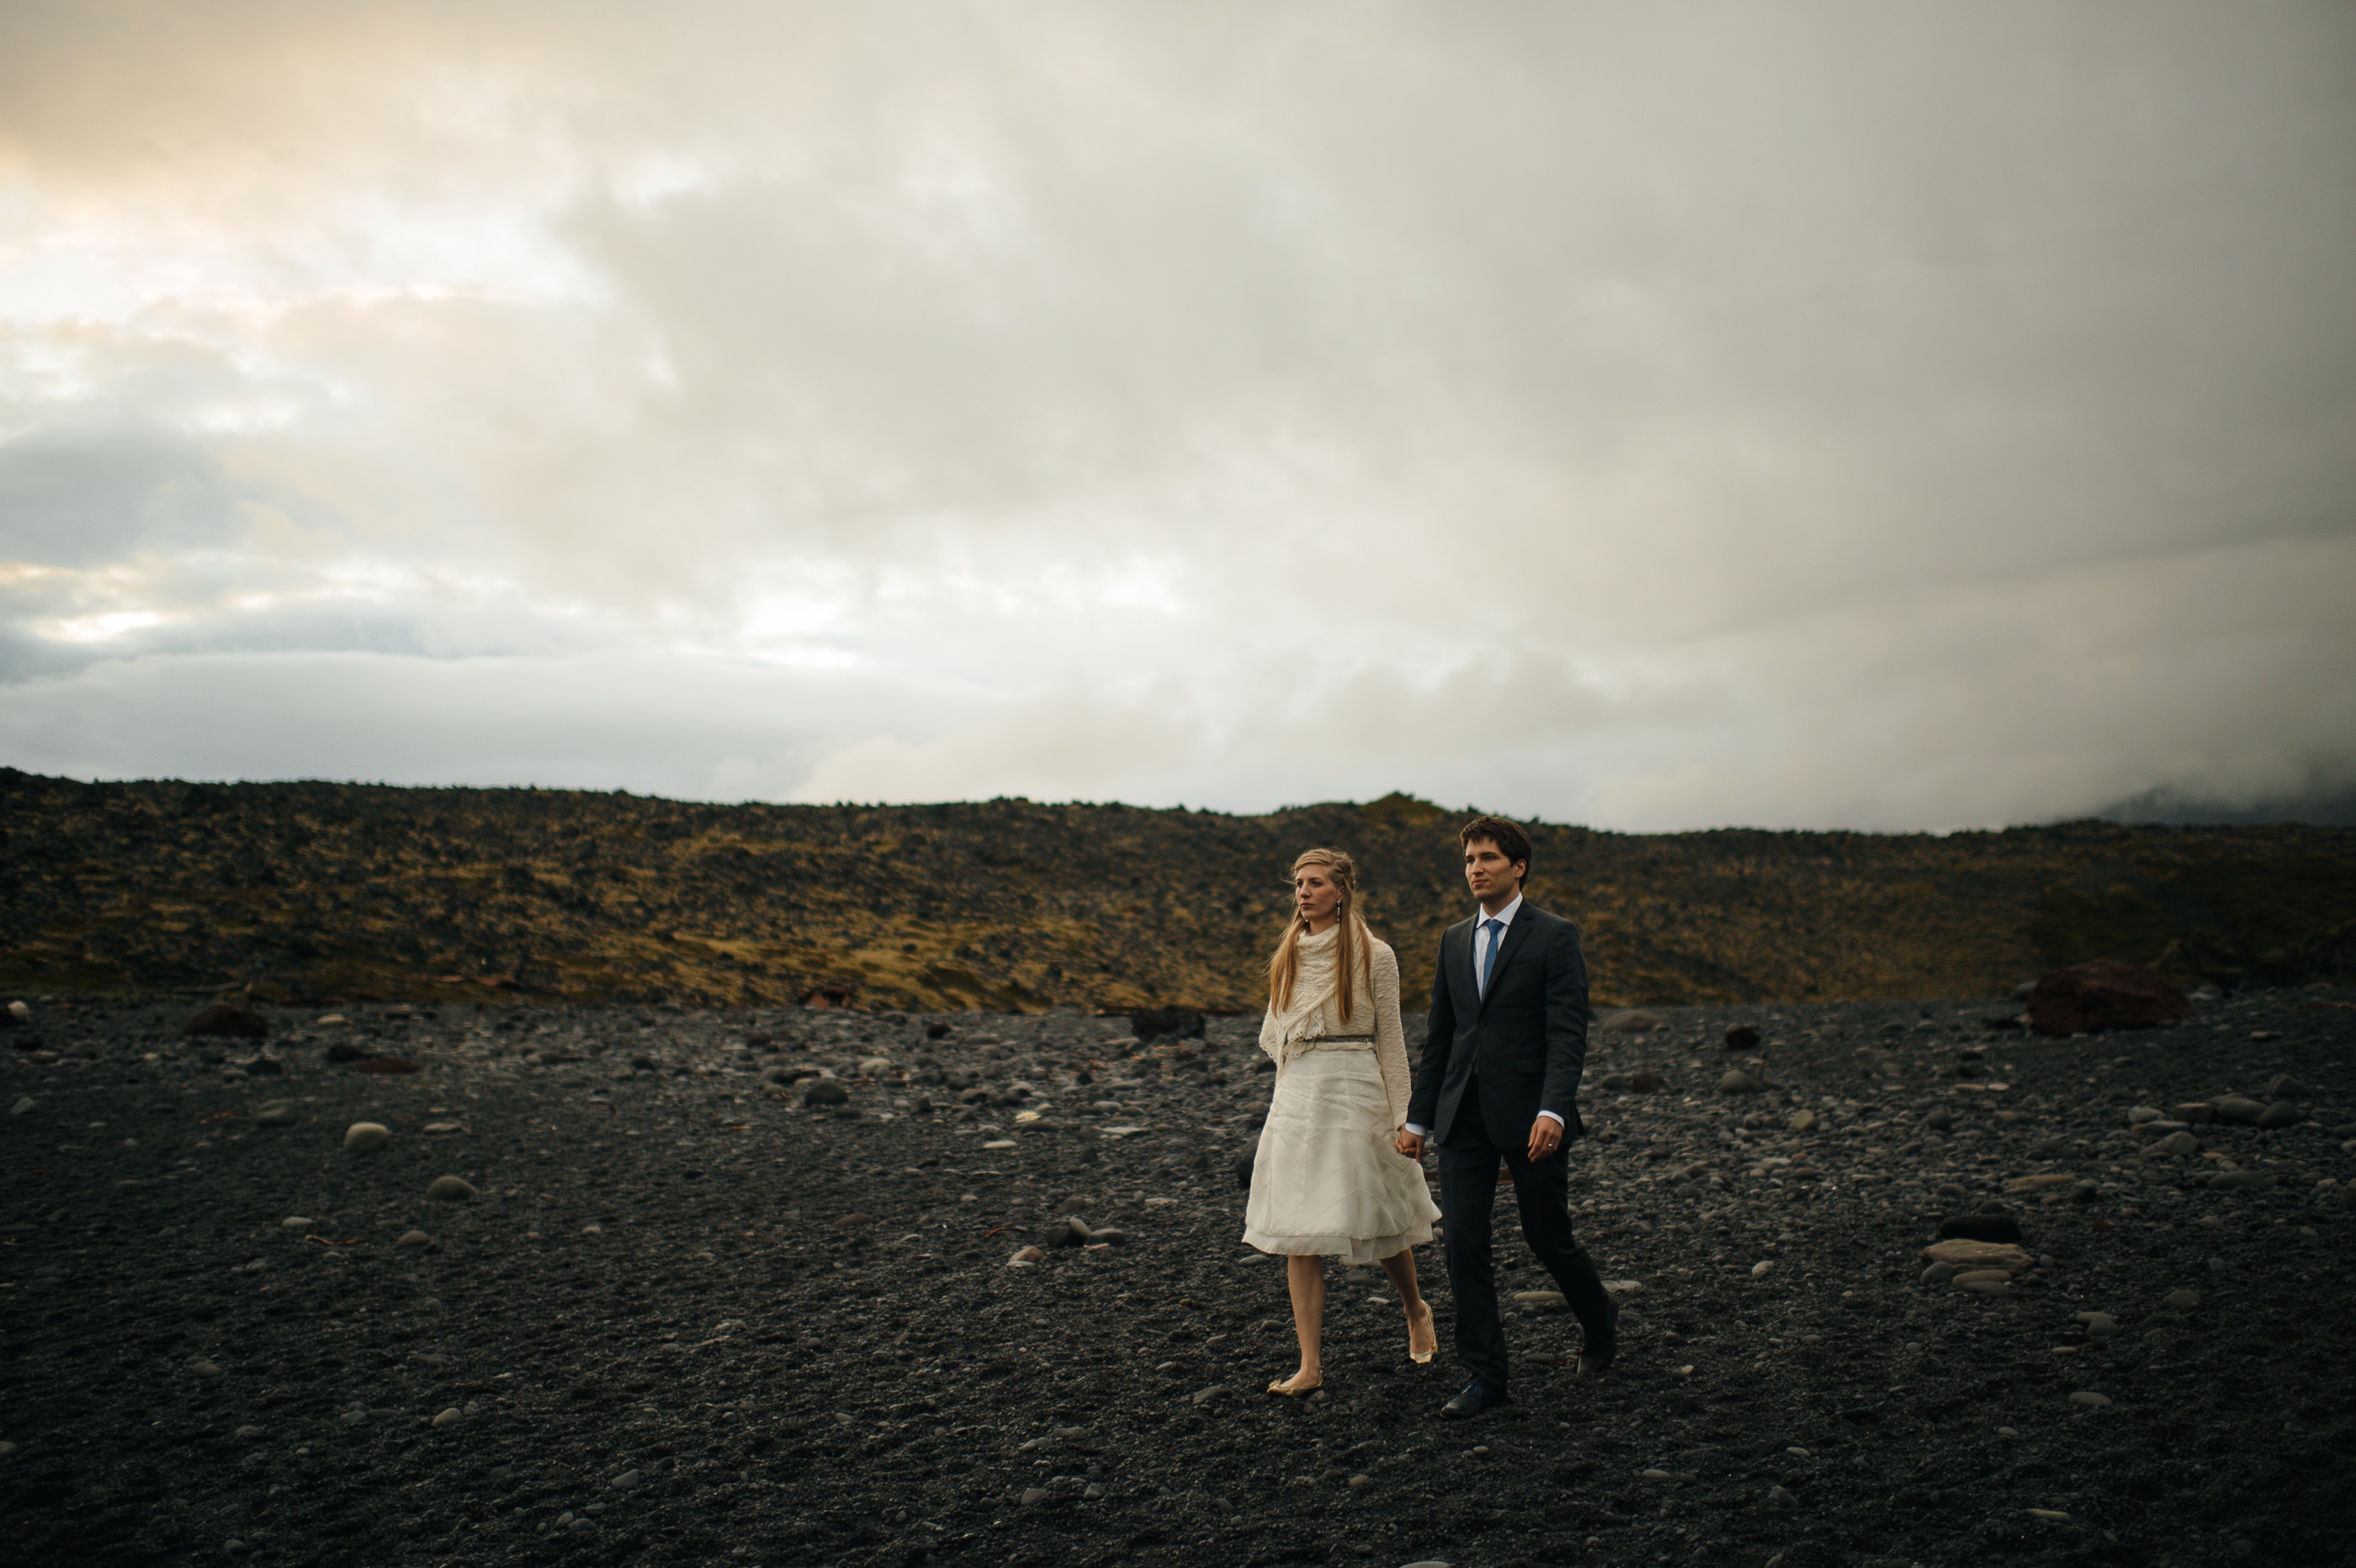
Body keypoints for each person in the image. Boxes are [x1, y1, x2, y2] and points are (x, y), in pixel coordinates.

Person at [1397, 815, 1616, 1420]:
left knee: (1548, 1238)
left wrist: (1553, 1109)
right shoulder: (1453, 940)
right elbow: (1441, 1036)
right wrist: (1418, 1119)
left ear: (1518, 867)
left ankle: (1599, 1317)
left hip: (1531, 1115)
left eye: (1488, 857)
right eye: (1470, 859)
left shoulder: (1555, 936)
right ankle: (1485, 1377)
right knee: (1463, 1242)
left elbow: (1567, 1034)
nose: (1476, 868)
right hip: (1462, 1113)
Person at [1243, 847, 1442, 1396]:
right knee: (1296, 1227)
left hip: (1355, 1083)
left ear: (1341, 891)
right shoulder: (1289, 953)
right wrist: (1285, 1093)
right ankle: (1309, 1366)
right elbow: (1279, 1035)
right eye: (1298, 884)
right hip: (1298, 1090)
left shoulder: (1376, 955)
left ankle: (1415, 1308)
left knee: (1378, 1209)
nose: (1303, 892)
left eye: (1315, 883)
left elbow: (1392, 1041)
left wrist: (1406, 1118)